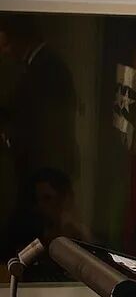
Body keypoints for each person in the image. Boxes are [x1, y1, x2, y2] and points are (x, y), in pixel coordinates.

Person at [0, 14, 79, 260]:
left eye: (4, 41)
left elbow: (45, 128)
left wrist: (10, 139)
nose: (3, 49)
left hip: (46, 170)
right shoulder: (38, 67)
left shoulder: (46, 69)